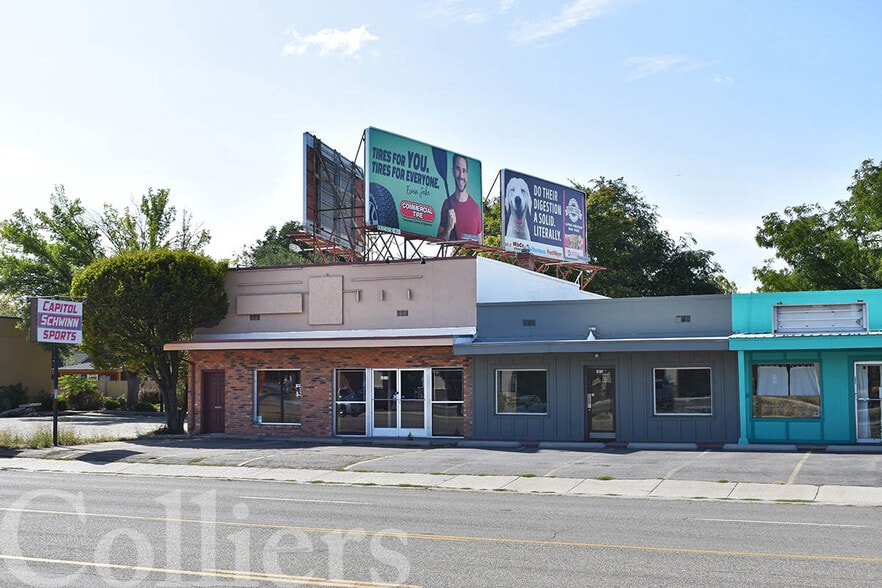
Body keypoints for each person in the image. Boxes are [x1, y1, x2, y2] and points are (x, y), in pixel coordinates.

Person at [437, 154, 482, 241]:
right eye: (457, 169)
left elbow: (480, 243)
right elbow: (438, 240)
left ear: (467, 174)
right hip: (453, 254)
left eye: (464, 170)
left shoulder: (476, 208)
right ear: (453, 171)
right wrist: (448, 228)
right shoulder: (447, 204)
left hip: (471, 254)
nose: (461, 175)